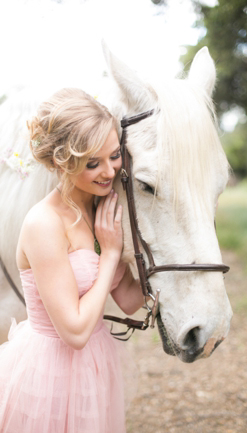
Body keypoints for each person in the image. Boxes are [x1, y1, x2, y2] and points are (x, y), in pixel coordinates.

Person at [0, 88, 144, 433]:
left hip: (94, 363)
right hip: (50, 372)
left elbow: (127, 299)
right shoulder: (44, 224)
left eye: (114, 156)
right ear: (61, 162)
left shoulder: (99, 206)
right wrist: (109, 254)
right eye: (93, 163)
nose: (109, 172)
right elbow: (75, 331)